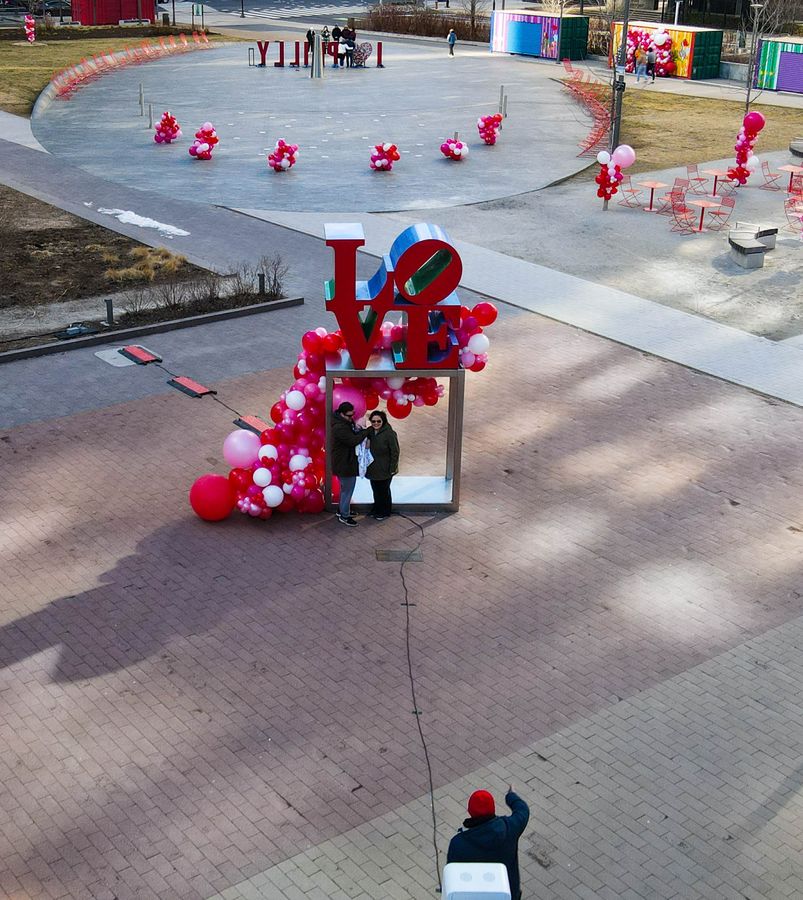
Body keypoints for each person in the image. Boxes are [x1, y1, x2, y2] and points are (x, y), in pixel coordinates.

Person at [447, 786, 530, 900]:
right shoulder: (510, 828)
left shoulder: (458, 843)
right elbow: (523, 811)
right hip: (508, 894)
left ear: (470, 811)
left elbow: (452, 874)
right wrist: (511, 796)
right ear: (493, 808)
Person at [331, 401, 370, 526]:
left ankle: (342, 510)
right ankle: (344, 515)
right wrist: (365, 432)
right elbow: (352, 441)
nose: (351, 418)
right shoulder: (339, 428)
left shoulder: (342, 423)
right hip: (344, 464)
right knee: (348, 490)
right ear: (341, 414)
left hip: (344, 462)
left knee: (345, 489)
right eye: (348, 416)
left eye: (352, 415)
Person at [366, 410, 399, 520]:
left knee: (383, 491)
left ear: (383, 421)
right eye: (373, 421)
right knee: (375, 489)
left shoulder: (389, 434)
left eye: (378, 421)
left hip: (385, 468)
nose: (376, 423)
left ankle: (384, 511)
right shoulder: (370, 431)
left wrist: (393, 468)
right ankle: (376, 508)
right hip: (373, 468)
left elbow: (395, 452)